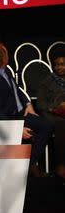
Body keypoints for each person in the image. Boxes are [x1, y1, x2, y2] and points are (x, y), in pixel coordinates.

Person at [0, 42, 53, 177]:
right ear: (2, 58)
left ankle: (29, 163)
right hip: (9, 118)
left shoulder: (6, 70)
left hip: (21, 112)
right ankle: (28, 166)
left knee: (47, 124)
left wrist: (27, 103)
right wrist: (16, 129)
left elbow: (17, 89)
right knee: (44, 126)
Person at [37, 50, 65, 178]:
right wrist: (55, 107)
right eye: (57, 64)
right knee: (60, 124)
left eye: (63, 64)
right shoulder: (47, 81)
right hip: (51, 113)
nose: (60, 67)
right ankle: (60, 164)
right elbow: (40, 104)